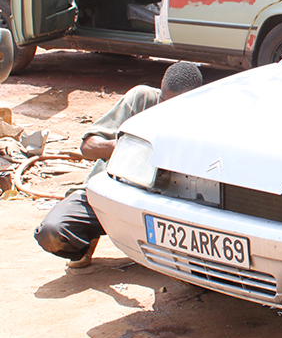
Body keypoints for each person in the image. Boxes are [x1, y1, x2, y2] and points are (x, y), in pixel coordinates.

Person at [34, 62, 204, 268]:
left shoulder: (204, 120)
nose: (168, 111)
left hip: (160, 208)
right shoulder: (143, 99)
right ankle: (84, 242)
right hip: (109, 197)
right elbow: (88, 146)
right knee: (52, 233)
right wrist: (132, 147)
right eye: (164, 102)